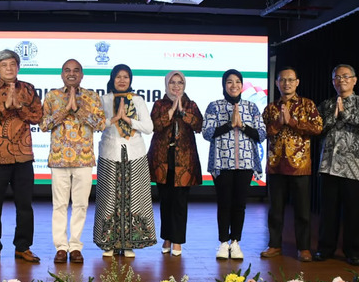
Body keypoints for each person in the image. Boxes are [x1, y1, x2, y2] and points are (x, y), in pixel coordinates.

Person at [0, 49, 43, 265]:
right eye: (4, 65)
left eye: (13, 64)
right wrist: (5, 107)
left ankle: (23, 247)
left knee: (25, 205)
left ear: (18, 67)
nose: (9, 68)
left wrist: (19, 107)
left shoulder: (28, 89)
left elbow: (38, 116)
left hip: (23, 156)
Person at [314, 64, 359, 266]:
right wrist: (333, 116)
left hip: (355, 168)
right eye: (337, 77)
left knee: (353, 213)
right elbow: (316, 129)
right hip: (328, 166)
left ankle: (353, 252)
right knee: (328, 212)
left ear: (354, 80)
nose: (341, 80)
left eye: (345, 76)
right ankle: (325, 249)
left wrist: (347, 115)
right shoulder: (326, 104)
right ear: (333, 81)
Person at [40, 59, 106, 264]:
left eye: (76, 70)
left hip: (83, 159)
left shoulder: (92, 97)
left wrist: (77, 109)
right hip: (59, 158)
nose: (71, 73)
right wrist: (64, 110)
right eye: (67, 70)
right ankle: (61, 247)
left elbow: (100, 124)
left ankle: (75, 246)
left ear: (82, 74)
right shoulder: (52, 96)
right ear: (62, 74)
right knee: (59, 205)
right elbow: (43, 124)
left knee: (81, 205)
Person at [203, 69, 266, 260]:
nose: (234, 85)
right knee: (224, 203)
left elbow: (261, 134)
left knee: (239, 204)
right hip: (222, 162)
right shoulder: (214, 106)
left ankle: (235, 242)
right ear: (224, 85)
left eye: (238, 81)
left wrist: (242, 126)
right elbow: (207, 133)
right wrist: (230, 125)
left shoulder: (251, 107)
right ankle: (223, 242)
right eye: (229, 81)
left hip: (246, 163)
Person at [93, 64, 156, 257]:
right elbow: (96, 125)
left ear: (130, 80)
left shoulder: (137, 100)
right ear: (112, 79)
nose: (122, 80)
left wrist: (128, 120)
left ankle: (129, 243)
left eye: (125, 77)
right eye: (118, 77)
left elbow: (149, 127)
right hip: (109, 153)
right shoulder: (104, 99)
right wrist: (114, 119)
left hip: (135, 154)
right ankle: (109, 243)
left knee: (134, 198)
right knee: (109, 198)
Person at [260, 67, 322, 262]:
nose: (286, 83)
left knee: (302, 211)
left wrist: (292, 122)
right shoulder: (271, 108)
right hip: (276, 164)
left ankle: (303, 248)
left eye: (290, 80)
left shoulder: (307, 105)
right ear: (277, 83)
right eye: (282, 80)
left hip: (299, 166)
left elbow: (318, 128)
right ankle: (274, 245)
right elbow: (262, 132)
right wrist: (279, 123)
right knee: (275, 210)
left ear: (297, 82)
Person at [148, 71, 203, 257]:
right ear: (167, 84)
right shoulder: (159, 104)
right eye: (172, 82)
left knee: (180, 202)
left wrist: (183, 112)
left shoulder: (191, 104)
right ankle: (167, 238)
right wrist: (171, 111)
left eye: (180, 82)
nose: (176, 86)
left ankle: (177, 240)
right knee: (165, 202)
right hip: (162, 161)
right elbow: (154, 126)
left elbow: (199, 126)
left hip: (184, 162)